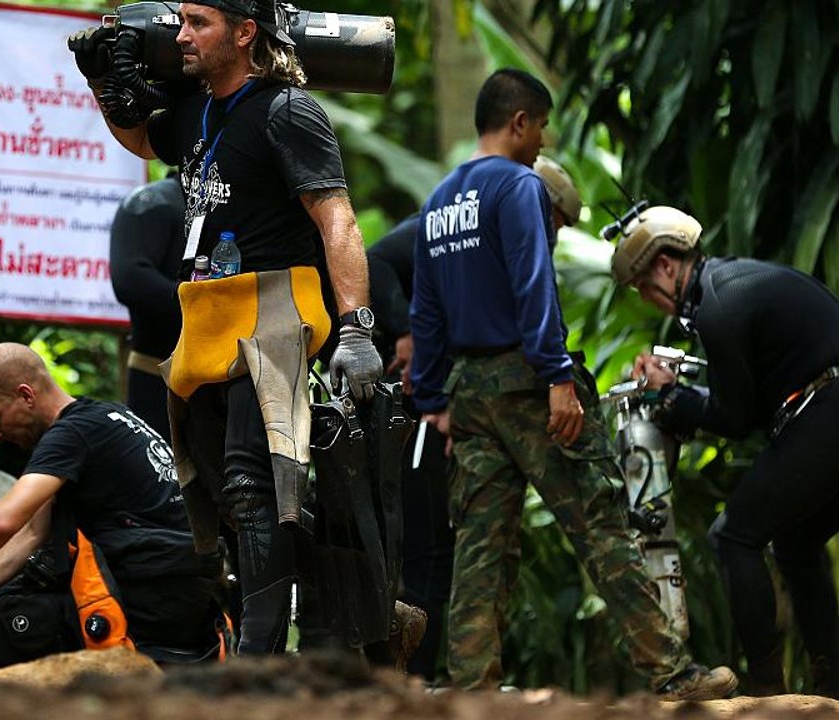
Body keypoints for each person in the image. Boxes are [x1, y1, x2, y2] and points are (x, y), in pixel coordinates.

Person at [409, 68, 736, 698]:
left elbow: (426, 312)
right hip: (529, 380)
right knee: (598, 520)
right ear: (520, 122)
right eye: (541, 127)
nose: (542, 143)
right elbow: (534, 283)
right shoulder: (518, 185)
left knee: (481, 545)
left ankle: (471, 689)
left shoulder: (439, 203)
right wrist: (558, 376)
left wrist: (431, 402)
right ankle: (669, 673)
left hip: (468, 391)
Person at [69, 0, 382, 655]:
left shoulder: (287, 111)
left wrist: (356, 329)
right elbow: (137, 136)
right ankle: (298, 628)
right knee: (218, 491)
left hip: (274, 315)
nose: (181, 35)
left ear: (245, 33)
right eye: (179, 20)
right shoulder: (195, 111)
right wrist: (105, 86)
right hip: (207, 322)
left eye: (198, 23)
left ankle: (258, 654)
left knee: (246, 482)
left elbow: (338, 220)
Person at [612, 205, 839, 697]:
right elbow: (753, 407)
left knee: (734, 536)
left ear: (667, 267)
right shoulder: (728, 285)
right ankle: (828, 689)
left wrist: (668, 397)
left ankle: (766, 692)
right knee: (796, 543)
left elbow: (733, 419)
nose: (650, 301)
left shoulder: (718, 303)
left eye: (644, 288)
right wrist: (678, 394)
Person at [366, 156, 581, 682]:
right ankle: (409, 679)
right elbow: (373, 261)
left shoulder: (502, 255)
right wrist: (403, 330)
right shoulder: (457, 225)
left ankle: (431, 676)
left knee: (447, 545)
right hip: (408, 408)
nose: (552, 235)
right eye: (553, 221)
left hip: (448, 417)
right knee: (423, 548)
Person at [0, 343, 222, 666]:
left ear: (26, 395)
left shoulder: (72, 434)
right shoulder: (109, 417)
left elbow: (2, 522)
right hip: (182, 596)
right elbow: (30, 534)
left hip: (144, 596)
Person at [110, 174, 185, 441]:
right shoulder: (158, 201)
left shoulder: (237, 206)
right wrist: (205, 306)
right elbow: (129, 278)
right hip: (156, 380)